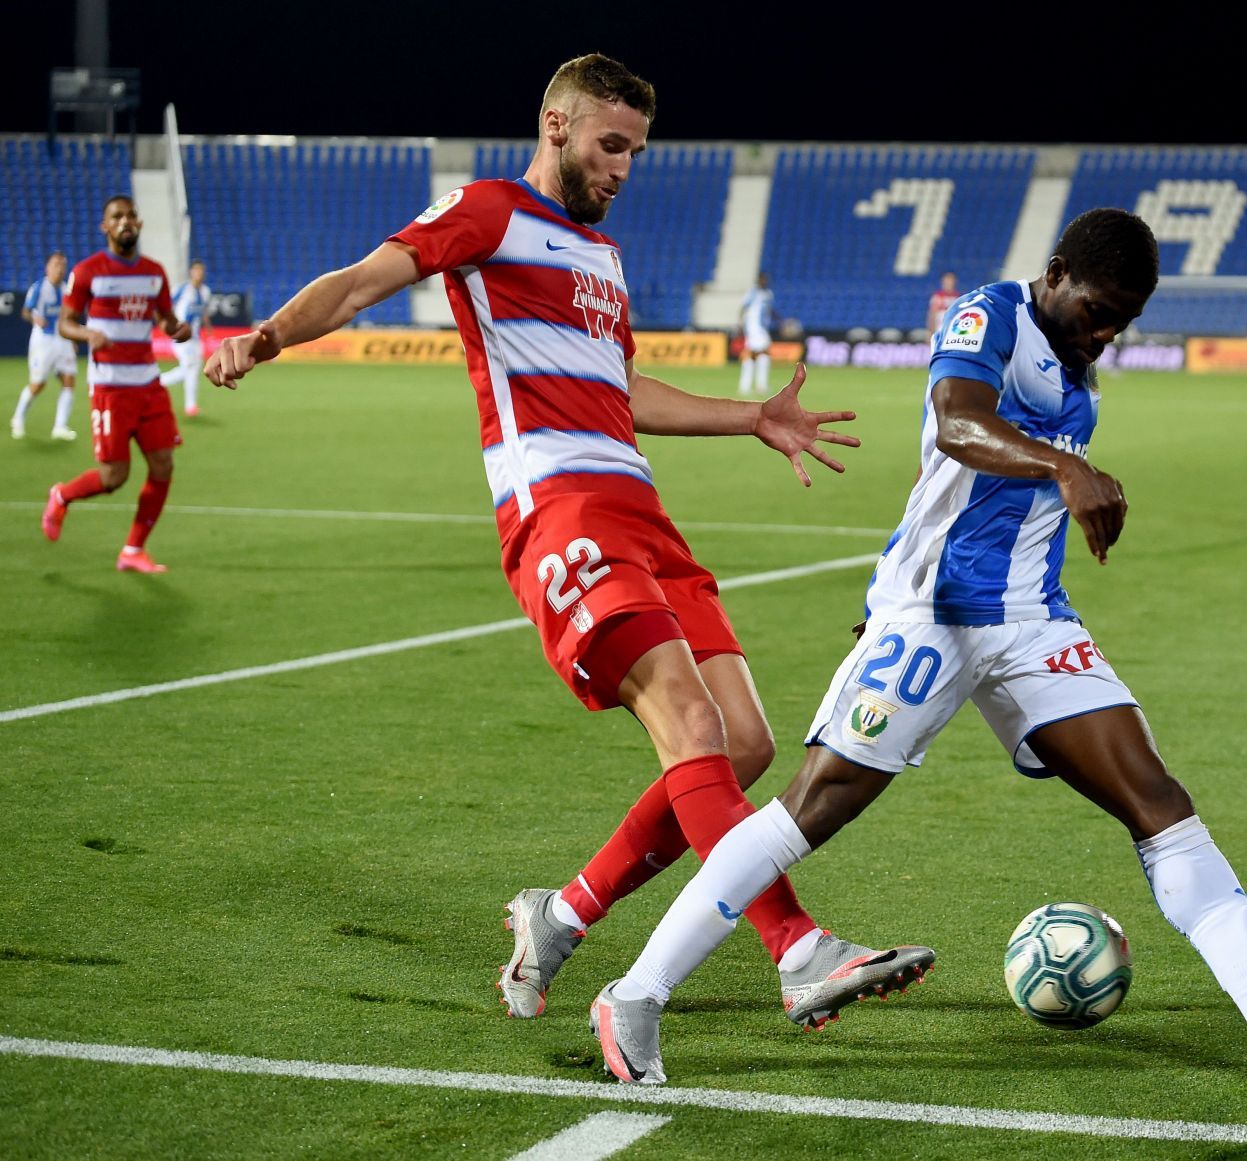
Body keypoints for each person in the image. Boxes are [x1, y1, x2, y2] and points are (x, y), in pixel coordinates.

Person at [587, 208, 1247, 1087]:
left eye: (1123, 319)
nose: (1106, 331)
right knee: (814, 806)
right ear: (1055, 274)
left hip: (1030, 618)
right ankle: (635, 994)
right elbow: (954, 422)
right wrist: (1062, 468)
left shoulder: (1077, 358)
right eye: (1096, 308)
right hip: (933, 613)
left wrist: (1052, 475)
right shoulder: (991, 315)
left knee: (1156, 797)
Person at [203, 54, 931, 1028]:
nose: (624, 167)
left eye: (635, 149)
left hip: (641, 510)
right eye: (611, 144)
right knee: (693, 725)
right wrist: (267, 337)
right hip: (560, 510)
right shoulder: (490, 213)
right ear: (557, 126)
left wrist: (752, 415)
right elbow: (365, 280)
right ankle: (797, 949)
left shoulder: (600, 258)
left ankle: (563, 913)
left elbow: (623, 393)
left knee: (745, 741)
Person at [40, 198, 192, 573]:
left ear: (138, 224)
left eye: (130, 216)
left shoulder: (154, 273)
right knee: (114, 477)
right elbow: (65, 323)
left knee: (163, 465)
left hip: (148, 382)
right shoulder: (88, 271)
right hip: (110, 386)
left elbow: (166, 320)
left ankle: (132, 550)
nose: (125, 222)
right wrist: (87, 333)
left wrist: (178, 330)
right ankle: (62, 495)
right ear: (104, 227)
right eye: (116, 217)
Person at [13, 251, 80, 441]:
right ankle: (18, 418)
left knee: (69, 380)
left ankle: (60, 426)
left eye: (63, 265)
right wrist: (35, 318)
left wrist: (73, 339)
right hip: (43, 341)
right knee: (38, 384)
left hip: (63, 339)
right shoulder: (38, 288)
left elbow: (69, 317)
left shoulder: (67, 289)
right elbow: (25, 311)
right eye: (56, 264)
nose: (60, 268)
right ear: (48, 268)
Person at [160, 259, 212, 416]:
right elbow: (166, 306)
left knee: (193, 370)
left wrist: (208, 326)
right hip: (181, 336)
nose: (199, 273)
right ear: (191, 272)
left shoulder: (205, 291)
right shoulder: (182, 289)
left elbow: (203, 311)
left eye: (201, 270)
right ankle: (156, 382)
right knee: (189, 368)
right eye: (196, 270)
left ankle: (191, 406)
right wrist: (169, 325)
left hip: (195, 338)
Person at [738, 272, 777, 395]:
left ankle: (756, 385)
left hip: (763, 329)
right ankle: (748, 386)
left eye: (766, 279)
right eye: (762, 279)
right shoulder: (752, 293)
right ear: (758, 279)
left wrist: (780, 321)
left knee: (760, 356)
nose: (764, 281)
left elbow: (769, 311)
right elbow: (743, 308)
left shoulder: (768, 294)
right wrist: (740, 324)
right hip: (754, 328)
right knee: (758, 354)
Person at [925, 270, 959, 335]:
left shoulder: (957, 297)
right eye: (946, 280)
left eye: (950, 280)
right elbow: (932, 315)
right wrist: (931, 332)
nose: (948, 282)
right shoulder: (937, 297)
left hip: (953, 331)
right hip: (940, 330)